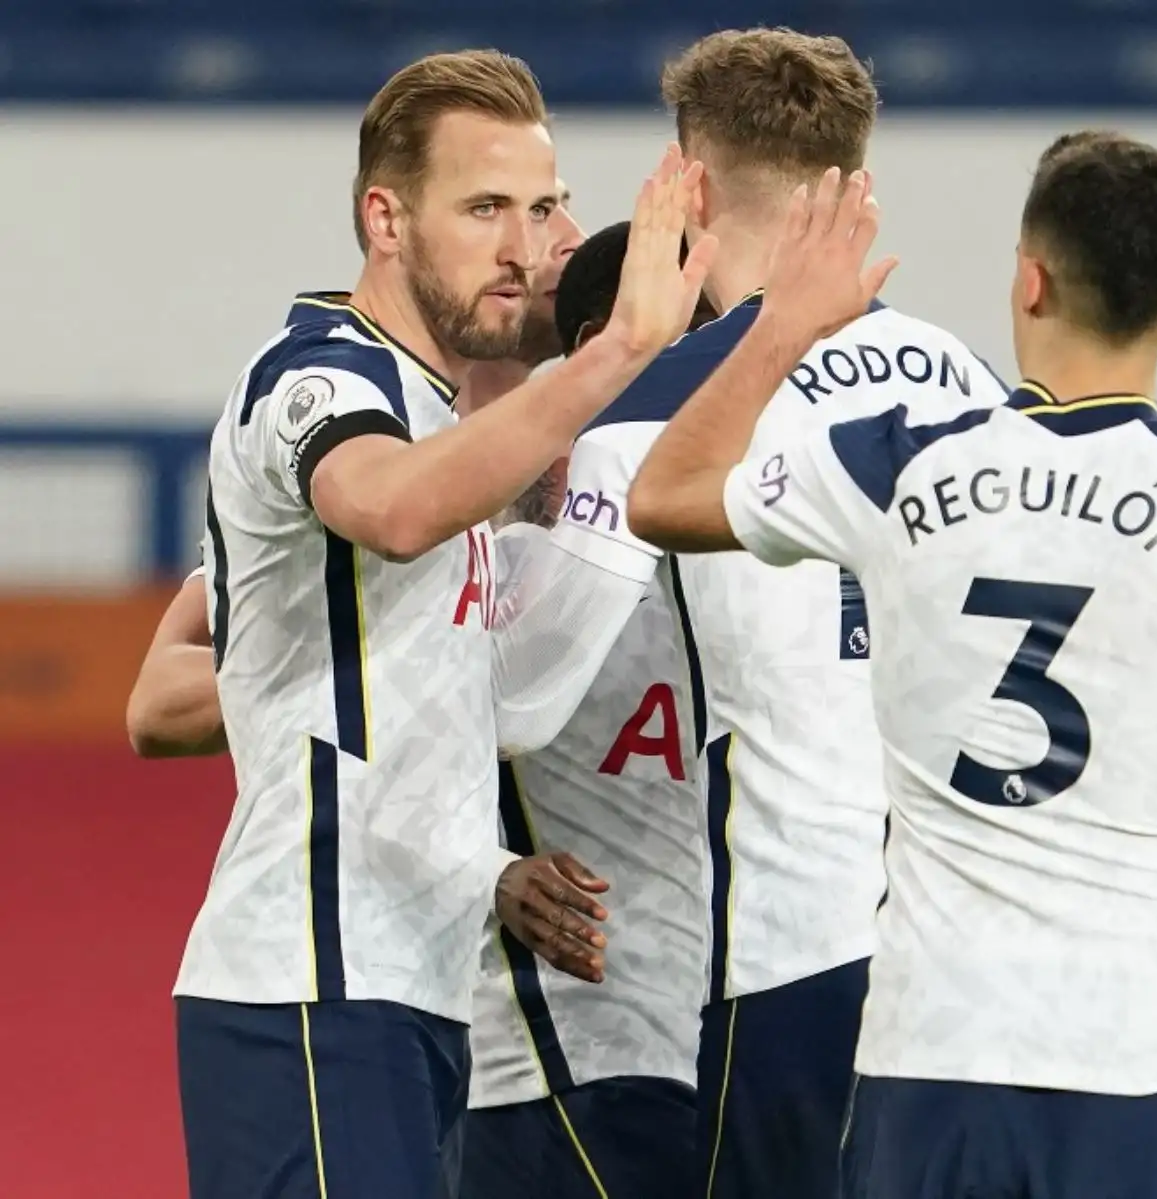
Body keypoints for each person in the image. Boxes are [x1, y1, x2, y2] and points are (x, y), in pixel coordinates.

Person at [625, 138, 1157, 1199]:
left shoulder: (899, 461)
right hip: (1140, 1059)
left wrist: (782, 323)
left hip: (933, 1054)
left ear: (1029, 280)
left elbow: (662, 494)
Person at [173, 47, 714, 1199]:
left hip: (413, 987)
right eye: (483, 208)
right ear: (385, 217)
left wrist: (490, 869)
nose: (522, 246)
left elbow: (459, 712)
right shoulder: (317, 375)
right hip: (312, 982)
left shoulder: (439, 411)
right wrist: (619, 350)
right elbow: (394, 508)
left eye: (542, 208)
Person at [519, 31, 1002, 1199]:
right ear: (858, 187)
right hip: (979, 945)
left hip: (797, 948)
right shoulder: (968, 382)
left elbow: (522, 696)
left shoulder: (653, 408)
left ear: (684, 186)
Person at [126, 185, 585, 757]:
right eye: (537, 212)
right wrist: (386, 674)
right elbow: (157, 703)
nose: (573, 240)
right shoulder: (360, 437)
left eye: (554, 208)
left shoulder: (597, 457)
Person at [455, 224, 720, 1199]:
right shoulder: (503, 545)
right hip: (561, 1052)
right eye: (706, 337)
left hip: (725, 1041)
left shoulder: (756, 567)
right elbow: (383, 749)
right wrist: (485, 871)